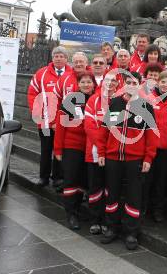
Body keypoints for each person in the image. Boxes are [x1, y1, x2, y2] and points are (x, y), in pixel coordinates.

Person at [97, 72, 157, 250]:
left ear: (140, 85)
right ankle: (111, 228)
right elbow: (104, 130)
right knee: (112, 193)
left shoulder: (146, 106)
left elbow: (151, 135)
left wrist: (148, 157)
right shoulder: (115, 102)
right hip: (113, 157)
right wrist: (101, 152)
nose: (131, 84)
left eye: (135, 82)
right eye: (128, 81)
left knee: (134, 196)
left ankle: (131, 232)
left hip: (135, 159)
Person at [54, 71, 96, 230]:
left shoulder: (97, 99)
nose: (86, 84)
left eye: (89, 82)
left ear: (93, 84)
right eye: (83, 82)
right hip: (72, 146)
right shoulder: (70, 100)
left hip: (90, 147)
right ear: (78, 84)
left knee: (83, 180)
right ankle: (71, 213)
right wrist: (58, 149)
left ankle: (78, 209)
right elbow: (61, 126)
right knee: (71, 179)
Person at [27, 46, 72, 187]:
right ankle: (44, 177)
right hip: (45, 122)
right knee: (46, 150)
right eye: (56, 56)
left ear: (66, 59)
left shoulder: (72, 74)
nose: (58, 58)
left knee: (60, 150)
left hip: (64, 122)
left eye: (61, 56)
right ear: (52, 58)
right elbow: (32, 94)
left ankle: (58, 177)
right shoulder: (41, 74)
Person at [84, 72, 119, 235]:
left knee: (110, 189)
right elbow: (90, 127)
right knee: (95, 188)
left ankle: (108, 220)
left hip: (114, 155)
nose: (110, 84)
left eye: (113, 82)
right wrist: (102, 147)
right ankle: (95, 220)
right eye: (107, 81)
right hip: (95, 153)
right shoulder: (93, 100)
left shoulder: (121, 102)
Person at [144, 71, 167, 222]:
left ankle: (158, 210)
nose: (165, 85)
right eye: (163, 82)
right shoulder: (149, 99)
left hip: (165, 148)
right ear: (157, 82)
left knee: (161, 181)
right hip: (149, 148)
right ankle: (144, 208)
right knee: (146, 180)